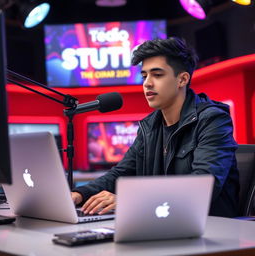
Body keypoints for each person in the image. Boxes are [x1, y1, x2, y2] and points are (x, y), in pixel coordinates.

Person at [72, 37, 239, 218]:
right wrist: (79, 194)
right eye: (144, 76)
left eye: (157, 75)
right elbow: (121, 173)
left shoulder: (213, 119)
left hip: (210, 228)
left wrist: (131, 199)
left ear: (182, 79)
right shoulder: (149, 126)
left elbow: (203, 186)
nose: (147, 83)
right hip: (163, 222)